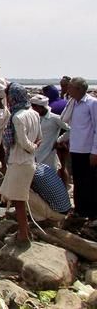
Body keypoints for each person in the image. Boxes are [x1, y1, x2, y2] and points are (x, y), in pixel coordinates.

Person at [0, 83, 41, 245]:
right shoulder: (33, 113)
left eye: (9, 96)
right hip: (28, 162)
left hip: (19, 161)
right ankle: (25, 231)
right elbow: (39, 137)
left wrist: (32, 147)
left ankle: (23, 236)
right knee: (17, 196)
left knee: (19, 201)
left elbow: (23, 142)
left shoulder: (17, 117)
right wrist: (35, 147)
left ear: (13, 97)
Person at [65, 77, 97, 219]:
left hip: (88, 150)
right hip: (76, 149)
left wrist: (95, 152)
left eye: (70, 87)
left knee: (89, 182)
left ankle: (91, 212)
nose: (68, 89)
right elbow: (70, 125)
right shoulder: (73, 103)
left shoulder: (92, 103)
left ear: (78, 89)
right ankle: (80, 210)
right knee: (78, 181)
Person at [30, 94, 69, 171]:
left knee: (50, 176)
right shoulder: (34, 117)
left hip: (48, 153)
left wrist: (59, 140)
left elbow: (70, 129)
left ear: (40, 107)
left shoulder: (54, 118)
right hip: (35, 152)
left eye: (34, 107)